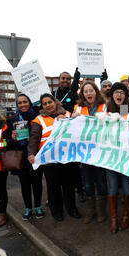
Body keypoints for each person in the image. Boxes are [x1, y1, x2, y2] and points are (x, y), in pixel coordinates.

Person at [28, 94, 80, 222]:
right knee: (53, 187)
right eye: (44, 104)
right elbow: (34, 138)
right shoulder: (39, 120)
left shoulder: (67, 114)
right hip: (50, 161)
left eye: (49, 102)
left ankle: (71, 208)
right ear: (42, 106)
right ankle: (57, 211)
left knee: (69, 186)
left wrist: (73, 119)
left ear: (55, 102)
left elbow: (77, 132)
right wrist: (31, 153)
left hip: (67, 158)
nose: (48, 105)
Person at [72, 81, 108, 224]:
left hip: (100, 151)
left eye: (91, 90)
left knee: (100, 182)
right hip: (84, 153)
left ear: (96, 92)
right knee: (87, 184)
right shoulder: (78, 109)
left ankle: (101, 211)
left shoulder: (104, 106)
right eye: (85, 91)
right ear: (82, 94)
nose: (88, 93)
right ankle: (91, 211)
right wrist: (68, 119)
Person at [5, 94, 44, 221]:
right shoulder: (11, 121)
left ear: (30, 102)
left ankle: (38, 206)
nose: (23, 105)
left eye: (25, 102)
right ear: (17, 105)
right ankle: (28, 208)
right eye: (20, 103)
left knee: (37, 182)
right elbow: (7, 143)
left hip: (35, 155)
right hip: (21, 157)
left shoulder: (38, 118)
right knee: (25, 184)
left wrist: (32, 139)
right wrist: (13, 139)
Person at [105, 82, 129, 233]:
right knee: (113, 188)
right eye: (116, 92)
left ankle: (126, 217)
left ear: (126, 96)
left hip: (126, 158)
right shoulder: (105, 110)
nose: (119, 95)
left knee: (128, 188)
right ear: (112, 95)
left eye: (122, 93)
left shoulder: (128, 111)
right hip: (110, 159)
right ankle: (114, 219)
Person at [53, 71, 85, 203]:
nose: (65, 80)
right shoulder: (52, 94)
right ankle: (57, 195)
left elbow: (76, 110)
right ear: (59, 79)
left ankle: (79, 190)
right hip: (56, 133)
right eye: (63, 78)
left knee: (74, 165)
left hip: (71, 134)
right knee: (58, 167)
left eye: (68, 79)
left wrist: (60, 106)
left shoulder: (74, 94)